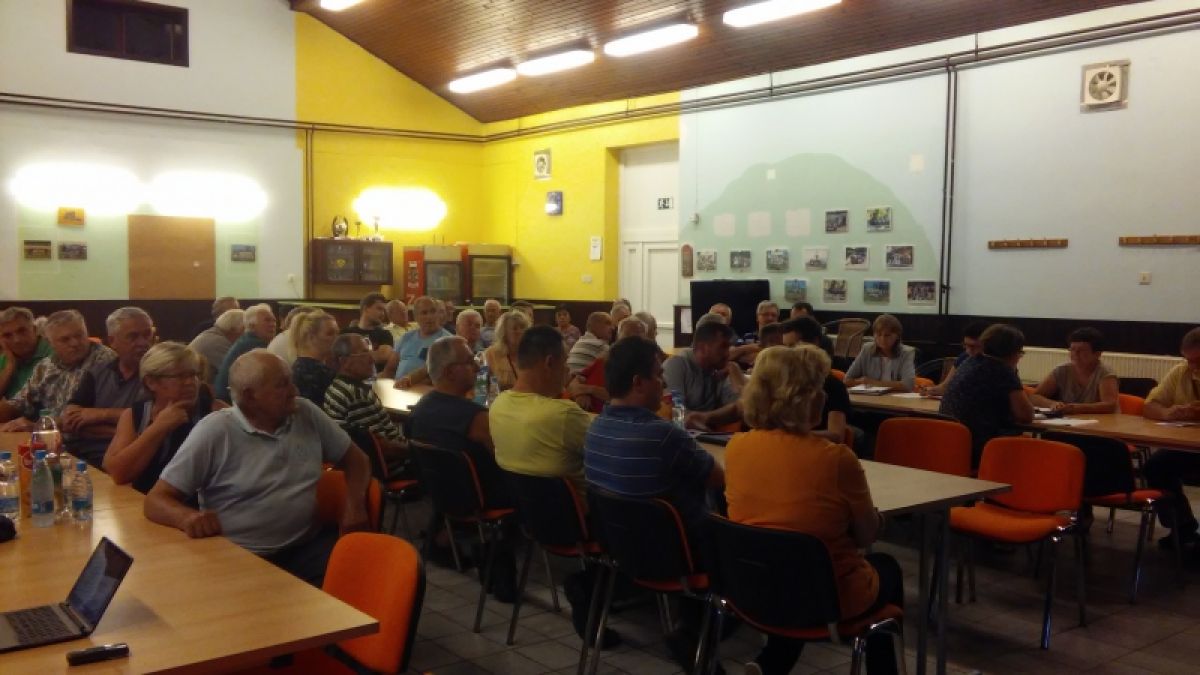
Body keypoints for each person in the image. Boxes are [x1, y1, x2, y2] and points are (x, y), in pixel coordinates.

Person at [725, 344, 903, 675]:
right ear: (804, 398)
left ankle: (770, 665)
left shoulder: (736, 447)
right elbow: (866, 536)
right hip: (828, 599)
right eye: (817, 388)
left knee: (792, 566)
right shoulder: (835, 459)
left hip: (754, 589)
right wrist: (878, 520)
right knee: (888, 567)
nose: (823, 395)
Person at [144, 350, 372, 587]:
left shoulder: (306, 413)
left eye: (291, 381)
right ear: (250, 396)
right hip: (237, 556)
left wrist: (354, 505)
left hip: (307, 548)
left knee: (356, 589)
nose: (294, 391)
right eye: (282, 385)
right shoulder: (216, 430)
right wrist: (186, 517)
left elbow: (357, 460)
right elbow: (156, 500)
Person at [409, 336, 514, 581]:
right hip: (482, 498)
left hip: (442, 495)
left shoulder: (420, 409)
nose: (477, 367)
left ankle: (446, 535)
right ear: (450, 372)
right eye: (470, 361)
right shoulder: (475, 418)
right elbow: (506, 459)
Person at [104, 342, 226, 494]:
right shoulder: (136, 415)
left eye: (194, 375)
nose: (191, 382)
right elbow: (119, 474)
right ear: (151, 382)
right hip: (142, 502)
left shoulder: (217, 413)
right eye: (180, 376)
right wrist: (159, 427)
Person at [490, 325, 590, 496]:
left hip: (524, 509)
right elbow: (609, 449)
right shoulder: (564, 415)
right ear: (549, 363)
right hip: (583, 510)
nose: (568, 370)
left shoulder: (497, 406)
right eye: (565, 362)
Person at [62, 307, 157, 468]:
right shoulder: (97, 372)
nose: (143, 343)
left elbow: (152, 420)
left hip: (129, 462)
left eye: (147, 334)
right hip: (82, 457)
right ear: (113, 341)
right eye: (133, 336)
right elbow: (70, 421)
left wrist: (99, 415)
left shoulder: (161, 375)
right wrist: (128, 430)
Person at [0, 310, 116, 431]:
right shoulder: (46, 366)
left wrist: (38, 426)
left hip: (85, 439)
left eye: (79, 335)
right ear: (50, 343)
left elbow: (87, 416)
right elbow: (19, 403)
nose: (74, 343)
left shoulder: (105, 361)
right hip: (51, 435)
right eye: (65, 339)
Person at [939, 324, 1034, 466]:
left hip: (948, 444)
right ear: (1013, 352)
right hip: (981, 449)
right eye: (1020, 353)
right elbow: (1025, 415)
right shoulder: (1002, 370)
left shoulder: (968, 362)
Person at [1142, 327, 1200, 552]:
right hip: (1187, 445)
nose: (1193, 367)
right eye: (1189, 360)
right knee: (1155, 466)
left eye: (1198, 361)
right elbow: (1149, 405)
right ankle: (1182, 527)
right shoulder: (1180, 372)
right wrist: (1167, 413)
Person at [323, 334, 406, 480]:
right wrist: (416, 450)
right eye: (364, 353)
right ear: (344, 361)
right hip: (393, 469)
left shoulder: (336, 388)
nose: (371, 359)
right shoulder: (356, 395)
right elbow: (382, 447)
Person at [780, 317, 851, 444]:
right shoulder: (780, 380)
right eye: (785, 347)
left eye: (793, 346)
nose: (787, 353)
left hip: (815, 447)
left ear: (814, 343)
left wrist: (792, 435)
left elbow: (836, 435)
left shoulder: (832, 385)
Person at [663, 320, 742, 430]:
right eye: (723, 347)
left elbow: (741, 408)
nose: (728, 354)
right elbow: (677, 413)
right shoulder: (676, 365)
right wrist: (714, 419)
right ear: (703, 348)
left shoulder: (723, 368)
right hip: (678, 435)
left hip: (710, 436)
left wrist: (736, 376)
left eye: (728, 347)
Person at [1028, 327, 1119, 414]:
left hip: (1102, 421)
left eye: (1081, 350)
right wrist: (1052, 404)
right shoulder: (1061, 370)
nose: (1075, 354)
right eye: (1072, 349)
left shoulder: (1105, 373)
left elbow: (1110, 406)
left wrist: (1076, 408)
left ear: (1097, 354)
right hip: (1068, 421)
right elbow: (1034, 397)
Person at [571, 317, 648, 413]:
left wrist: (590, 390)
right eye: (627, 335)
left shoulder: (642, 368)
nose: (630, 342)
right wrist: (580, 394)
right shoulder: (604, 359)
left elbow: (622, 397)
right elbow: (574, 382)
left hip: (609, 416)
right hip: (580, 413)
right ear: (618, 338)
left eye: (636, 336)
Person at [213, 304, 277, 402]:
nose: (273, 324)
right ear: (252, 326)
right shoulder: (254, 345)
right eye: (267, 320)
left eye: (274, 320)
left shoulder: (246, 341)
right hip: (231, 401)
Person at [844, 314, 916, 392]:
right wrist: (861, 381)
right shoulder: (867, 349)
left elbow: (908, 385)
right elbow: (847, 380)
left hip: (895, 398)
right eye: (879, 335)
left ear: (897, 336)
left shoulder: (907, 353)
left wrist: (873, 383)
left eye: (887, 335)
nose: (882, 339)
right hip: (870, 397)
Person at [919, 321, 988, 396]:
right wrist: (929, 390)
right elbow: (945, 387)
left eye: (973, 346)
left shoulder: (993, 365)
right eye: (965, 345)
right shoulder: (965, 357)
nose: (968, 351)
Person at [393, 296, 453, 382]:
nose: (430, 316)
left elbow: (440, 372)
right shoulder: (406, 337)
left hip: (426, 387)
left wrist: (410, 380)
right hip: (397, 386)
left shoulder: (448, 340)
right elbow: (390, 369)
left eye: (433, 311)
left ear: (438, 314)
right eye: (424, 313)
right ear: (416, 317)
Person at [0, 306, 52, 399]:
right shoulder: (5, 359)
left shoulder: (54, 353)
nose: (17, 340)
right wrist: (10, 366)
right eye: (7, 335)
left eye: (22, 331)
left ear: (35, 330)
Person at [290, 310, 339, 407]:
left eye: (337, 333)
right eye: (330, 334)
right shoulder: (320, 374)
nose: (336, 338)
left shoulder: (297, 367)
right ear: (311, 337)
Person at [188, 308, 244, 384]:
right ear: (233, 329)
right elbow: (239, 372)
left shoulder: (213, 335)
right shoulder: (217, 343)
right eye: (244, 329)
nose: (246, 334)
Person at [342, 293, 394, 371]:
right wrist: (372, 354)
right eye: (379, 309)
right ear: (366, 309)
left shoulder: (385, 334)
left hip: (375, 377)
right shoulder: (345, 333)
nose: (383, 314)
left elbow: (382, 356)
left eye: (384, 310)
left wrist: (352, 355)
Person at [482, 310, 530, 391]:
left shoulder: (532, 354)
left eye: (522, 328)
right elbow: (481, 386)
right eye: (514, 328)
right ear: (504, 332)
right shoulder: (490, 354)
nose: (519, 331)